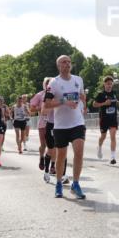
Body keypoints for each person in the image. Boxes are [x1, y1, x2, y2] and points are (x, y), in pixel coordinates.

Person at [45, 55, 87, 199]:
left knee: (79, 152)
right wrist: (64, 101)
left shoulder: (78, 80)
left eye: (69, 62)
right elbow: (47, 104)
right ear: (58, 66)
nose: (67, 64)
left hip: (77, 123)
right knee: (61, 156)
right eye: (64, 62)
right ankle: (58, 183)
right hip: (61, 125)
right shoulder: (54, 82)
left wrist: (83, 105)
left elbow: (82, 96)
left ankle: (76, 183)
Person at [93, 76, 119, 164]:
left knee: (113, 136)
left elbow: (114, 100)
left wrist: (117, 102)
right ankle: (99, 147)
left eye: (111, 84)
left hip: (113, 118)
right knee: (103, 136)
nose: (109, 85)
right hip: (104, 119)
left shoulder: (114, 93)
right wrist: (104, 103)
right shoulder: (100, 94)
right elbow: (94, 104)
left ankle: (112, 157)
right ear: (104, 84)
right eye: (108, 84)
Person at [30, 79, 54, 174]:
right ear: (44, 85)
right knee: (43, 145)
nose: (49, 85)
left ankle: (53, 165)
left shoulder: (56, 93)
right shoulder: (40, 95)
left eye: (50, 83)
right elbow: (32, 109)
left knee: (53, 146)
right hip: (43, 123)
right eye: (47, 83)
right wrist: (41, 108)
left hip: (54, 123)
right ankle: (41, 157)